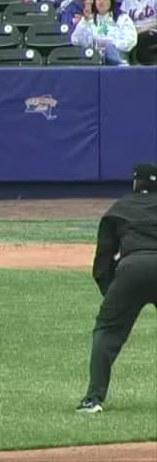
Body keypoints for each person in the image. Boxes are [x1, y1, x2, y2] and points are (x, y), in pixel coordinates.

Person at [77, 163, 157, 413]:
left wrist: (112, 292)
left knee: (107, 331)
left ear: (135, 183)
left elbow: (102, 263)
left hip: (131, 270)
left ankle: (93, 400)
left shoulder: (118, 209)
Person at [70, 0, 137, 66]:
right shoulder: (88, 20)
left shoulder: (122, 18)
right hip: (93, 59)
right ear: (95, 2)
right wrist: (85, 21)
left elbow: (131, 40)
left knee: (108, 48)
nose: (101, 1)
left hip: (117, 57)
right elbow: (75, 40)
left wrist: (111, 44)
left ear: (111, 2)